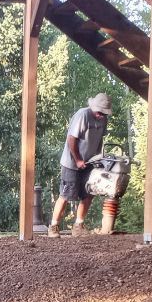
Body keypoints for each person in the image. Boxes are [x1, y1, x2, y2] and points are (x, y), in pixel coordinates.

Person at [48, 93, 111, 237]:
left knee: (89, 193)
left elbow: (100, 139)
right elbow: (71, 139)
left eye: (104, 113)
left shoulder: (103, 120)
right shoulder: (82, 115)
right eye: (100, 112)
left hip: (90, 162)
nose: (101, 115)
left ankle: (78, 225)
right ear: (93, 107)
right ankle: (53, 226)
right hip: (71, 162)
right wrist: (77, 160)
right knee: (66, 194)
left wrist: (99, 159)